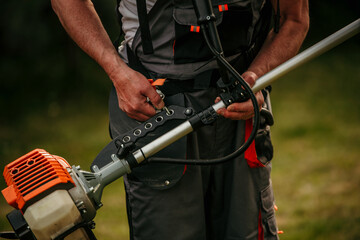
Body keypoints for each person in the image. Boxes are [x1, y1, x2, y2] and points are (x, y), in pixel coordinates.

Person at [51, 0, 309, 239]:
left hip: (241, 110)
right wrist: (116, 71)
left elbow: (294, 19)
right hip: (155, 112)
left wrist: (257, 74)